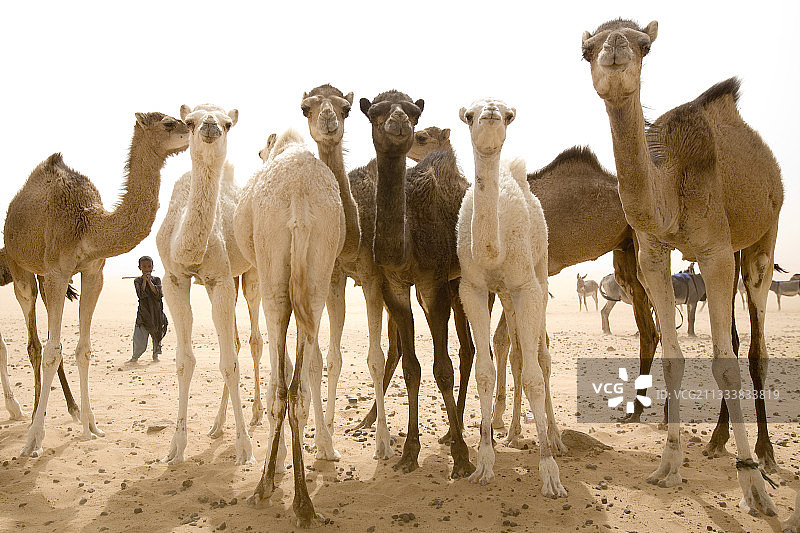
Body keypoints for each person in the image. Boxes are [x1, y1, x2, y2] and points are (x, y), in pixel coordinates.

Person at [129, 256, 168, 362]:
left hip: (156, 312)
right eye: (144, 266)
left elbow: (159, 294)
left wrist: (150, 282)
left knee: (156, 334)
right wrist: (144, 282)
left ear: (152, 267)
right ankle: (135, 357)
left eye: (149, 266)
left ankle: (155, 356)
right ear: (140, 267)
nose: (147, 269)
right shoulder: (137, 281)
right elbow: (141, 295)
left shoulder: (157, 279)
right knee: (139, 335)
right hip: (144, 312)